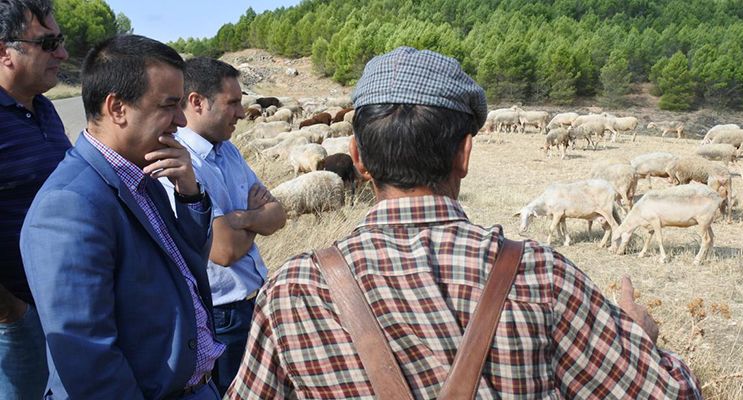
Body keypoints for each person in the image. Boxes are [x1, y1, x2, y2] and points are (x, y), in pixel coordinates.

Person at [226, 47, 703, 399]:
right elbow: (675, 394)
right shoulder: (542, 276)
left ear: (357, 158)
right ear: (465, 153)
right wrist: (638, 335)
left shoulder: (292, 290)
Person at [21, 34, 224, 399]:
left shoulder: (139, 176)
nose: (180, 120)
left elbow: (189, 268)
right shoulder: (69, 206)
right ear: (117, 109)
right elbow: (89, 360)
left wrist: (190, 194)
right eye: (169, 105)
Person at [161, 56, 286, 392]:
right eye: (232, 103)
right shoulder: (179, 162)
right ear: (197, 102)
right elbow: (224, 250)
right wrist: (255, 221)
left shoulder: (228, 151)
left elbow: (279, 214)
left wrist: (241, 219)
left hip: (255, 301)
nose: (242, 113)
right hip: (221, 315)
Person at [0, 0, 69, 397]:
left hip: (59, 308)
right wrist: (11, 311)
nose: (62, 53)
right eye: (48, 43)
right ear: (3, 52)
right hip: (18, 322)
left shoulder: (43, 108)